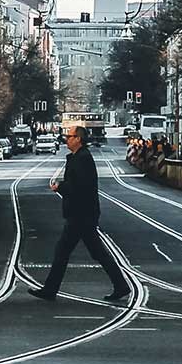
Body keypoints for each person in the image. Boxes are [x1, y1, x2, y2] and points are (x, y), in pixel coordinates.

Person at [37, 122, 129, 303]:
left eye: (69, 136)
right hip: (83, 213)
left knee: (63, 251)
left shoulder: (82, 159)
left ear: (78, 139)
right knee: (96, 252)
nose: (66, 139)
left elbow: (79, 187)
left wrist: (60, 187)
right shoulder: (78, 157)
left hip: (81, 214)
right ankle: (120, 285)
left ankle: (50, 290)